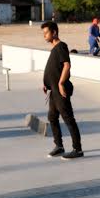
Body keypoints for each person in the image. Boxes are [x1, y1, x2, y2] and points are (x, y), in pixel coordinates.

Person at [41, 21, 83, 160]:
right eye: (43, 33)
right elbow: (55, 69)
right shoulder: (54, 48)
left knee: (68, 118)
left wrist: (60, 83)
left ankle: (77, 149)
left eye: (46, 33)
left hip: (60, 90)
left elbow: (67, 65)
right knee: (52, 117)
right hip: (52, 90)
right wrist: (47, 84)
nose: (44, 36)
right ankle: (59, 146)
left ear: (54, 32)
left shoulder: (61, 46)